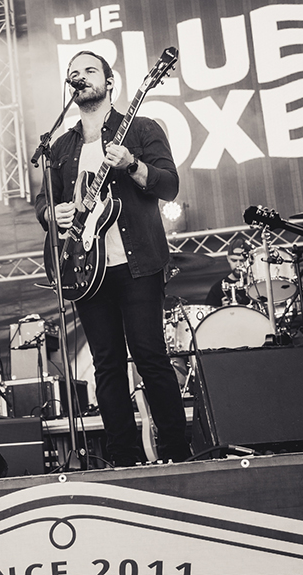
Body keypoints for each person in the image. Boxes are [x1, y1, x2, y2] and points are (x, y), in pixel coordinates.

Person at [34, 50, 190, 466]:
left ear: (109, 81)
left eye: (89, 70)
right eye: (74, 73)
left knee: (150, 356)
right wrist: (52, 214)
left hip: (137, 264)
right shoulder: (60, 146)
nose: (81, 77)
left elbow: (169, 185)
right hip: (85, 269)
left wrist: (133, 165)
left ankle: (178, 451)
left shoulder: (140, 128)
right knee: (106, 365)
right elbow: (43, 202)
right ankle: (123, 457)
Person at [204, 238, 253, 308]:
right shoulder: (217, 288)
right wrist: (222, 309)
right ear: (228, 259)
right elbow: (210, 313)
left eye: (242, 260)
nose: (238, 264)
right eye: (234, 260)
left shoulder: (257, 285)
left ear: (250, 260)